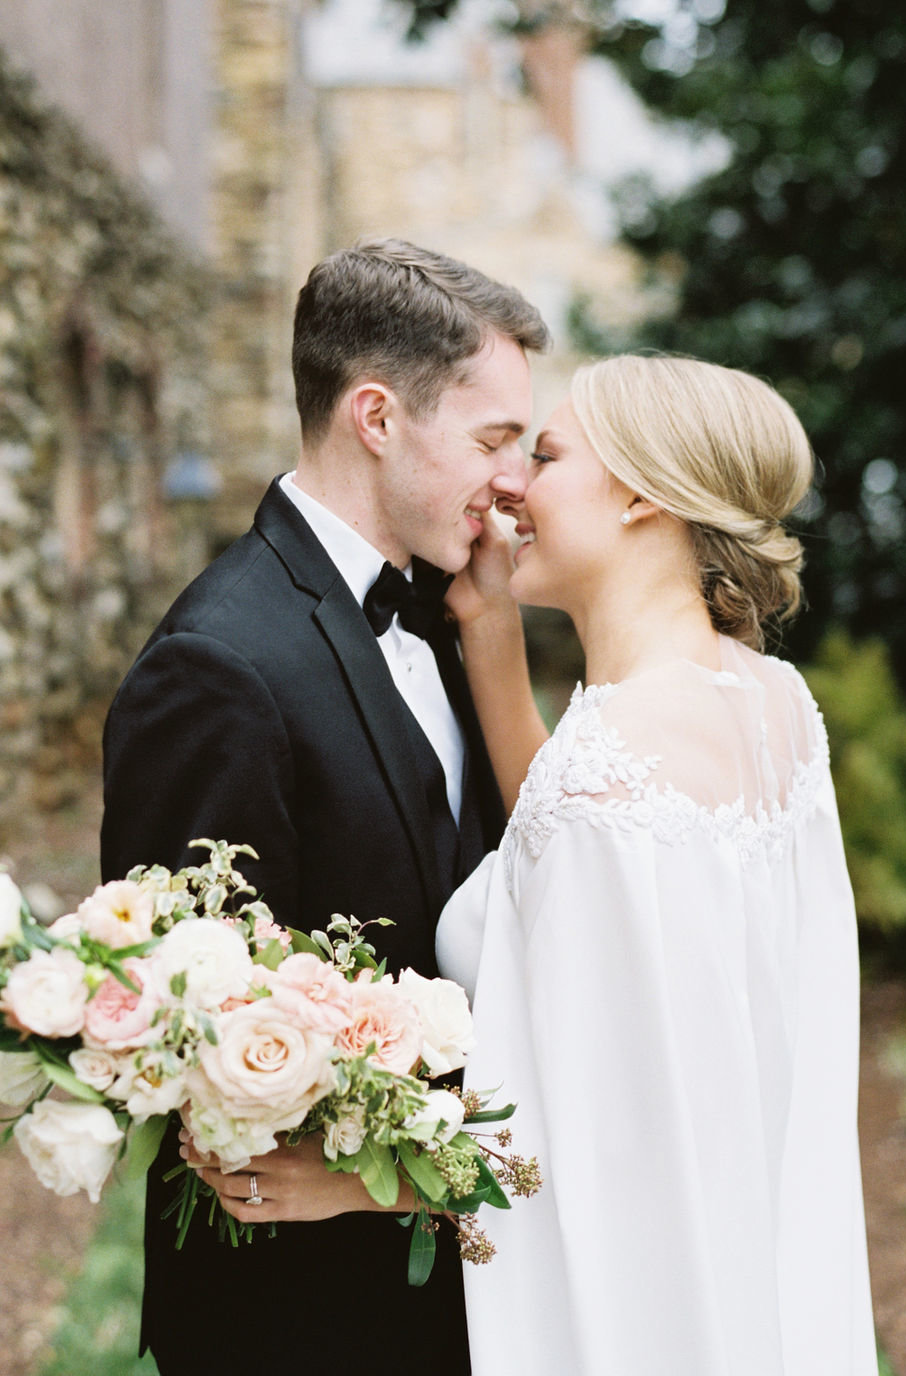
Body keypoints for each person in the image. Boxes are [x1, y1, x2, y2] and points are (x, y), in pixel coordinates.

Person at [100, 238, 549, 1376]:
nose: (516, 482)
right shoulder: (217, 664)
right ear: (377, 417)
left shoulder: (453, 612)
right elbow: (190, 1041)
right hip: (297, 1317)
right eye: (493, 440)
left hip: (467, 1290)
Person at [436, 354, 878, 1375]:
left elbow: (587, 1136)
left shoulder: (608, 772)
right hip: (755, 1281)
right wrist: (492, 638)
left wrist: (355, 1176)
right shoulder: (770, 705)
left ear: (640, 493)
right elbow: (581, 827)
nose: (508, 483)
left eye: (543, 456)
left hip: (626, 1318)